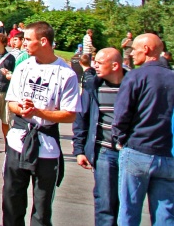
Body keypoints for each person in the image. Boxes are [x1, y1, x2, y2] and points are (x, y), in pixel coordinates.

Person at [2, 21, 79, 226]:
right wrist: (23, 109)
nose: (24, 43)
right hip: (18, 140)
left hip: (46, 145)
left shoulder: (66, 74)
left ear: (43, 41)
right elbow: (12, 102)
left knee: (42, 208)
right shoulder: (23, 68)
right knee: (12, 200)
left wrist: (38, 112)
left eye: (28, 39)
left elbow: (70, 114)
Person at [112, 33, 174, 226]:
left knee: (129, 212)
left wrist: (119, 138)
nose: (131, 54)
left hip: (137, 149)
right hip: (167, 153)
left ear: (146, 49)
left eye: (134, 49)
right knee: (165, 213)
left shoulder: (135, 76)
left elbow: (121, 113)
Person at [73, 48, 126, 226]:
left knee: (127, 205)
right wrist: (79, 150)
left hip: (129, 153)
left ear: (115, 65)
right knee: (105, 203)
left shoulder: (133, 85)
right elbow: (82, 117)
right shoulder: (93, 86)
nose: (94, 65)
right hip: (104, 152)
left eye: (100, 63)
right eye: (94, 61)